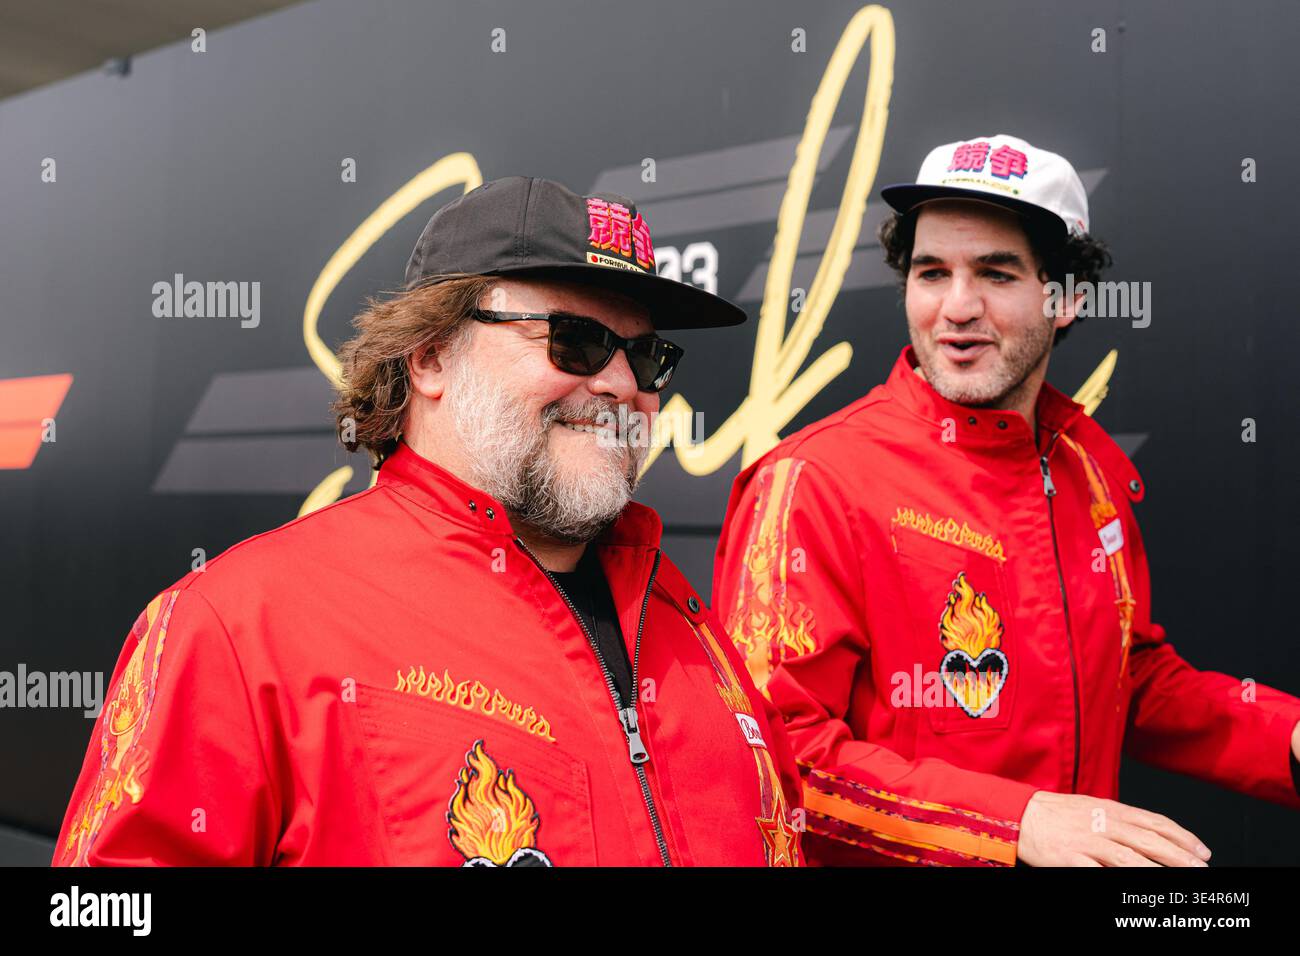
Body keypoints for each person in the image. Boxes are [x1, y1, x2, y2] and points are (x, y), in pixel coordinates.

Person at [54, 176, 801, 867]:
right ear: (432, 356)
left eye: (646, 356)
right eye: (575, 339)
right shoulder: (236, 624)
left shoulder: (692, 627)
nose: (619, 384)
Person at [713, 135, 1300, 867]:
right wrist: (1010, 824)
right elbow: (771, 755)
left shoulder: (1086, 468)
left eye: (995, 272)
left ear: (1066, 299)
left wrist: (1288, 738)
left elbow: (1128, 678)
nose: (958, 307)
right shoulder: (811, 481)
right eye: (932, 272)